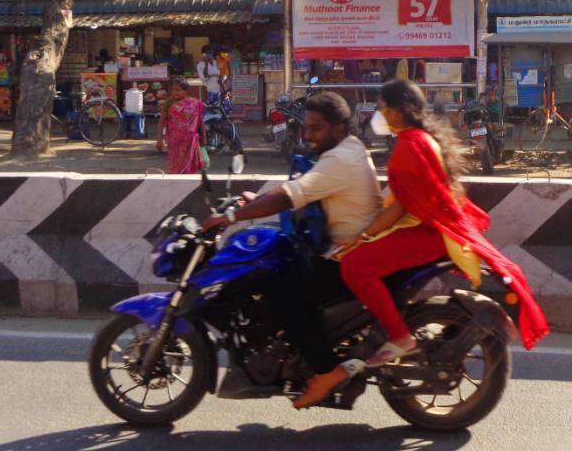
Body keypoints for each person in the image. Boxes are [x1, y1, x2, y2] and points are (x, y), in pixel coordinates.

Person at [335, 79, 549, 366]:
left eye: (382, 108)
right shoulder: (419, 139)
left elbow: (400, 206)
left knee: (354, 265)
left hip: (430, 232)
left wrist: (363, 235)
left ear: (398, 111)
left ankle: (399, 337)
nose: (378, 114)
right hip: (432, 227)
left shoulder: (410, 145)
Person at [201, 92, 383, 410]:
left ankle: (325, 371)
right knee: (281, 265)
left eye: (316, 128)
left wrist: (229, 217)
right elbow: (303, 186)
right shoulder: (349, 147)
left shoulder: (339, 159)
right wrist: (255, 201)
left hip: (349, 258)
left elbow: (288, 196)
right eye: (306, 128)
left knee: (282, 293)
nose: (308, 135)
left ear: (339, 128)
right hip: (349, 249)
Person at [156, 77, 206, 174]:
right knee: (175, 165)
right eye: (173, 90)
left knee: (189, 165)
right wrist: (159, 140)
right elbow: (161, 121)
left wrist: (203, 138)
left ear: (185, 91)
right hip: (174, 140)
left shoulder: (194, 103)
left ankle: (187, 182)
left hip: (190, 139)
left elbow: (200, 121)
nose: (175, 92)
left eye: (178, 90)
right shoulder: (169, 102)